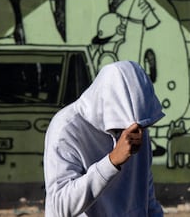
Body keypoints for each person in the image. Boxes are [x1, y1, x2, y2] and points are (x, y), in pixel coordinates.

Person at [44, 61, 165, 216]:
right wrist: (112, 161)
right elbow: (59, 207)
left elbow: (145, 196)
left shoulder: (136, 126)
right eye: (120, 128)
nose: (135, 133)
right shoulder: (66, 128)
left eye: (142, 127)